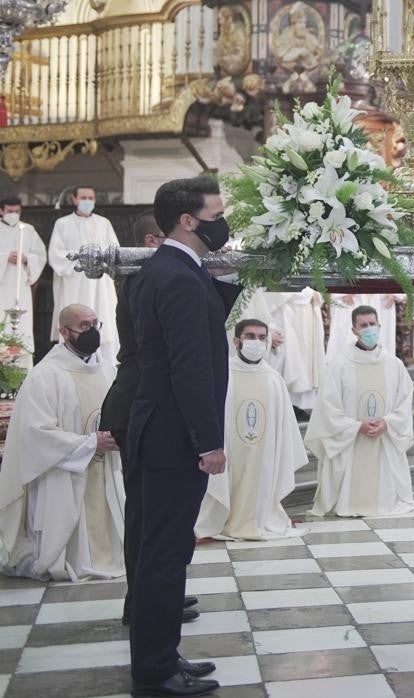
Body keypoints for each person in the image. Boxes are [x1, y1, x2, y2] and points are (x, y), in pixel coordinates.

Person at [127, 176, 237, 696]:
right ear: (189, 221)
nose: (224, 223)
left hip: (160, 431)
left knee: (164, 553)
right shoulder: (176, 278)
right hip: (175, 438)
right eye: (217, 215)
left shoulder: (165, 270)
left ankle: (163, 654)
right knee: (165, 556)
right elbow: (191, 369)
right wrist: (208, 442)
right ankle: (155, 671)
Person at [98, 213, 208, 627]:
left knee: (155, 515)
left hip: (143, 403)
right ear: (150, 240)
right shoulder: (147, 282)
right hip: (139, 404)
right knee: (147, 515)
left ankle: (155, 596)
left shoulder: (152, 278)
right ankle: (144, 603)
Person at [0, 304, 125, 581]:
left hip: (104, 468)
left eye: (95, 324)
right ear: (64, 332)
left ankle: (107, 554)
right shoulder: (45, 376)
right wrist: (91, 443)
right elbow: (36, 435)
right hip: (62, 474)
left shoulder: (107, 371)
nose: (91, 331)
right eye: (83, 326)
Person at [195, 319, 306, 541]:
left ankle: (259, 519)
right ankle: (222, 520)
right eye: (250, 337)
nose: (257, 342)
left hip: (264, 453)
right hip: (229, 450)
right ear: (237, 341)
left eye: (262, 337)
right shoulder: (222, 373)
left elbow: (284, 426)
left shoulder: (274, 379)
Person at [306, 305, 414, 517]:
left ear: (379, 325)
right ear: (354, 330)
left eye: (372, 324)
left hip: (383, 437)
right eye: (363, 325)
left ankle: (384, 500)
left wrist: (388, 422)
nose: (369, 329)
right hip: (351, 440)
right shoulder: (339, 365)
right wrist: (356, 426)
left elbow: (404, 402)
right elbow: (327, 407)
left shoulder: (394, 365)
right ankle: (348, 503)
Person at [48, 185, 121, 363]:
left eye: (91, 198)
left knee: (104, 322)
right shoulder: (63, 224)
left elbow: (114, 250)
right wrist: (80, 261)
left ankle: (107, 365)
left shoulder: (104, 223)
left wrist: (100, 260)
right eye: (83, 197)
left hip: (99, 282)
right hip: (75, 281)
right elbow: (56, 255)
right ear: (74, 199)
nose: (87, 201)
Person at [0, 196, 47, 368]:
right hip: (2, 289)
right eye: (10, 211)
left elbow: (40, 256)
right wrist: (5, 258)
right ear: (1, 211)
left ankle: (21, 371)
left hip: (21, 289)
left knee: (22, 330)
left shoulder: (28, 230)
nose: (14, 214)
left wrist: (27, 259)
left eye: (17, 211)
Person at [266, 288, 325, 415]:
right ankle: (279, 403)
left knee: (305, 360)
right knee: (283, 357)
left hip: (305, 315)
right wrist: (269, 330)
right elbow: (268, 301)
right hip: (283, 316)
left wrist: (313, 293)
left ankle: (299, 405)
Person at [327, 293, 402, 361]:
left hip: (382, 299)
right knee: (347, 345)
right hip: (351, 298)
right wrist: (342, 292)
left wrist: (393, 294)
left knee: (381, 351)